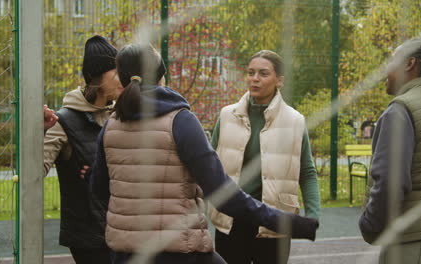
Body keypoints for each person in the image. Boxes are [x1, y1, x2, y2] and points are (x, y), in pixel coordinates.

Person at [88, 44, 319, 264]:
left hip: (125, 253)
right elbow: (223, 193)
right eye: (251, 72)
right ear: (161, 76)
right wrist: (292, 223)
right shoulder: (180, 121)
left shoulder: (111, 125)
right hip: (178, 252)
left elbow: (99, 189)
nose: (255, 78)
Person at [209, 50, 321, 264]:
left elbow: (307, 172)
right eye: (251, 73)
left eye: (263, 73)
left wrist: (313, 214)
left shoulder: (295, 121)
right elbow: (209, 166)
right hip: (232, 220)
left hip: (274, 221)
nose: (255, 79)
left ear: (279, 80)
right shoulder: (226, 116)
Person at [359, 38, 421, 263]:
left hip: (416, 247)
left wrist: (369, 226)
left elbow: (390, 183)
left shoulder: (401, 109)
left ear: (409, 64)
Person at [43, 35, 123, 264]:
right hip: (87, 239)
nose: (123, 78)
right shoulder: (64, 121)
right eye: (116, 71)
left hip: (122, 231)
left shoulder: (119, 115)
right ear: (96, 76)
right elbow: (34, 170)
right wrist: (38, 133)